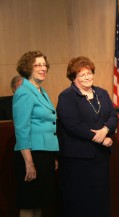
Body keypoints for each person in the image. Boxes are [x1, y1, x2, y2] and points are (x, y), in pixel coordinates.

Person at [56, 56, 118, 217]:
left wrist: (106, 130)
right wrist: (99, 138)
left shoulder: (102, 93)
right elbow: (73, 125)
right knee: (80, 199)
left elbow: (113, 116)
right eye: (82, 75)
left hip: (100, 157)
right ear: (73, 77)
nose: (87, 77)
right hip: (78, 159)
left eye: (89, 73)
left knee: (100, 197)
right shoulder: (67, 96)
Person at [13, 51, 59, 217]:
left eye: (44, 65)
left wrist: (51, 155)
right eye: (38, 65)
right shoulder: (24, 92)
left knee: (40, 202)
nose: (43, 68)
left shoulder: (41, 91)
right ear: (27, 68)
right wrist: (29, 163)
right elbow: (21, 129)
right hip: (30, 154)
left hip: (44, 154)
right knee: (29, 202)